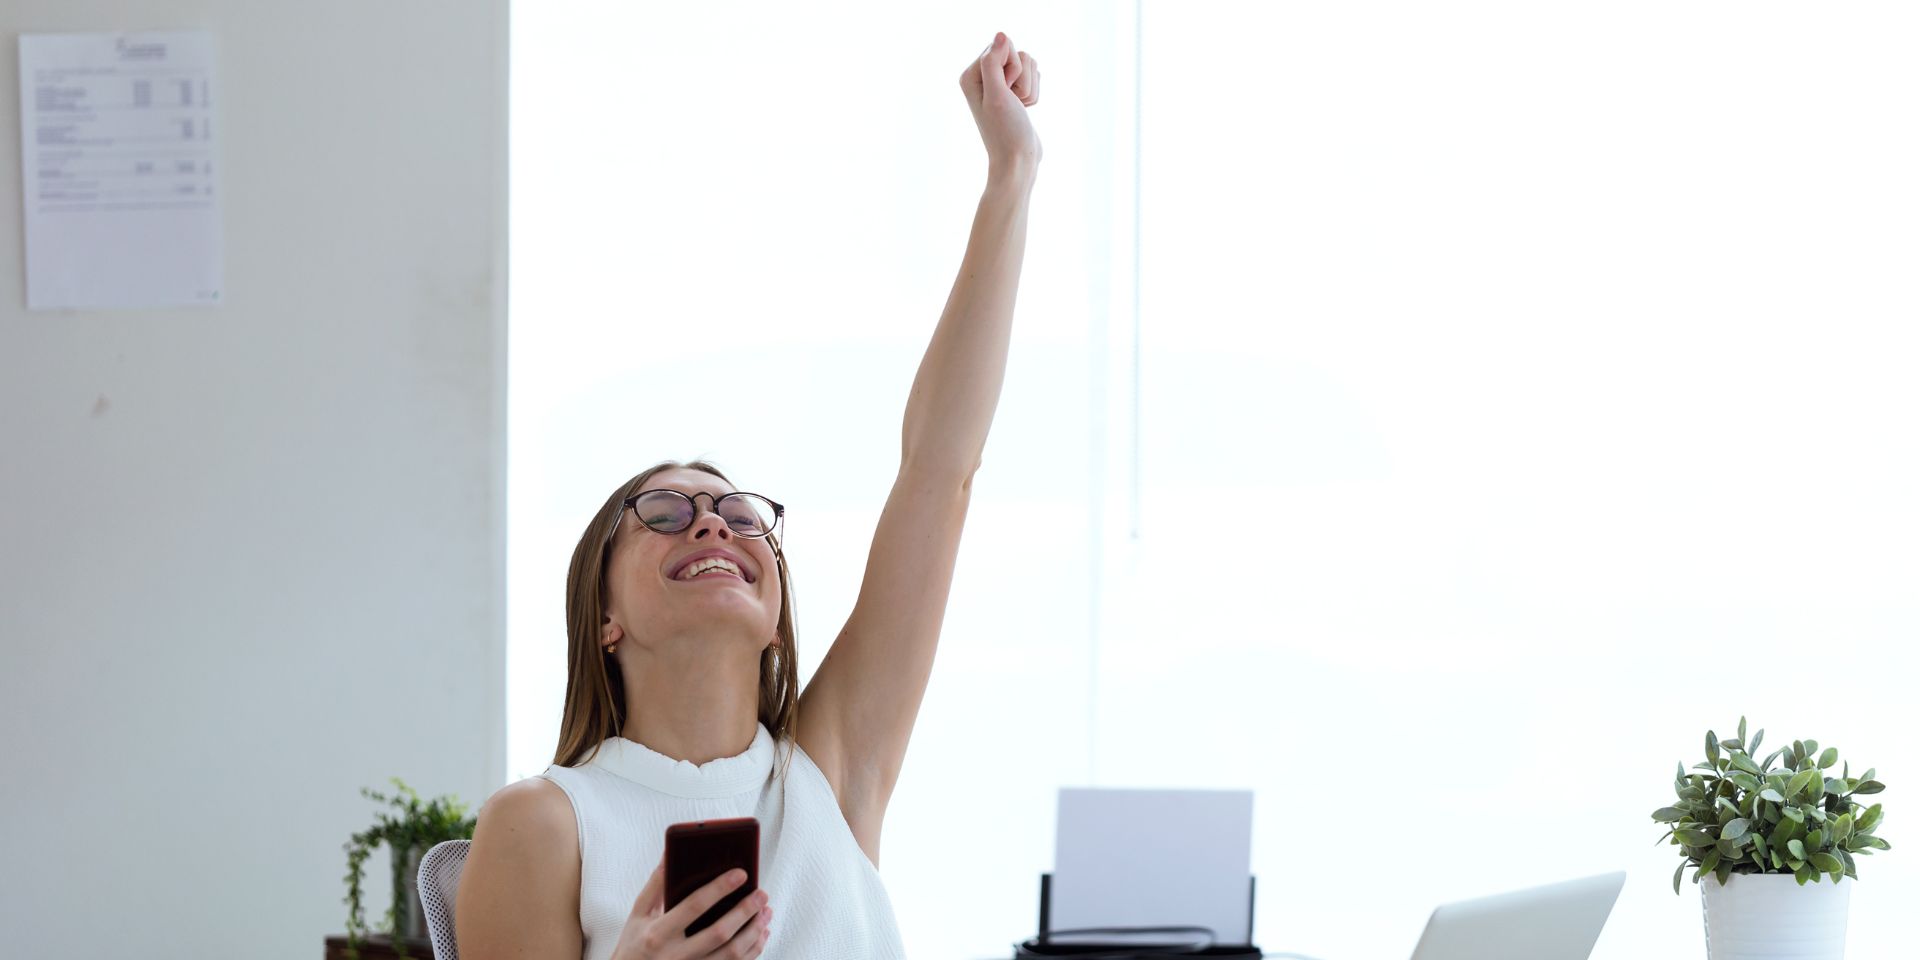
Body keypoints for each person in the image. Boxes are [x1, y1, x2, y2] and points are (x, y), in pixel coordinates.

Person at [457, 31, 1042, 960]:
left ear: (774, 618)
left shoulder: (831, 771)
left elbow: (940, 470)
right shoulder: (544, 824)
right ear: (601, 614)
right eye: (663, 512)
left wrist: (1011, 174)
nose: (711, 521)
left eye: (739, 515)